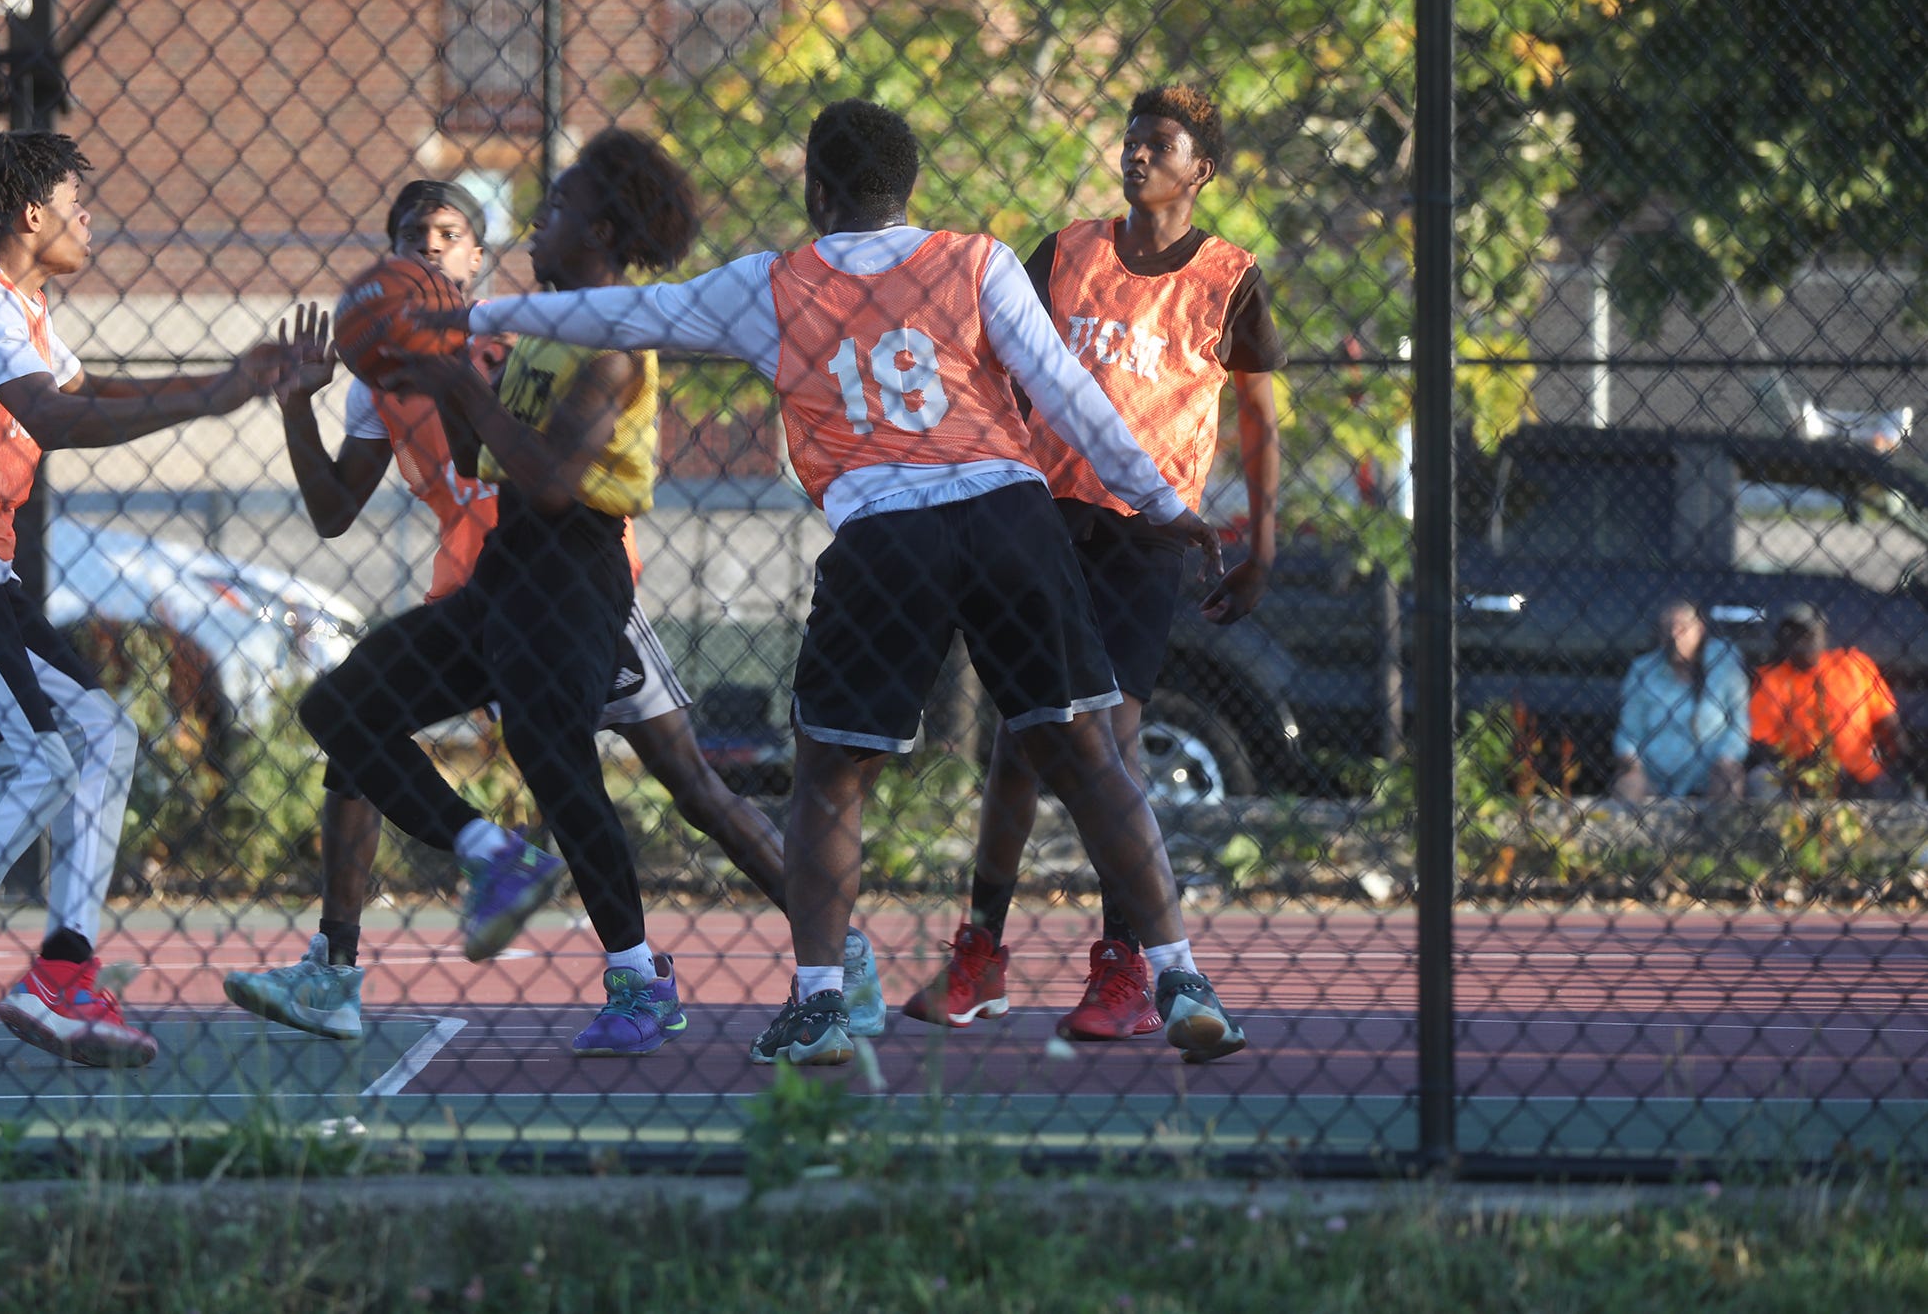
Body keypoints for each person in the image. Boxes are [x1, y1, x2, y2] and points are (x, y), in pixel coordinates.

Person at [427, 99, 1251, 1067]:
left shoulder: (772, 284)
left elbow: (616, 310)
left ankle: (819, 1001)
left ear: (816, 189)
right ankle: (1179, 972)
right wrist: (1160, 499)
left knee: (830, 773)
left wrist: (469, 313)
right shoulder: (975, 258)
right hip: (1007, 516)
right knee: (1087, 752)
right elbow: (1066, 392)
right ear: (906, 189)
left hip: (885, 530)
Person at [226, 181, 883, 1043]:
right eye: (408, 237)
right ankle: (338, 968)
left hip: (580, 587)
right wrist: (298, 407)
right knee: (355, 740)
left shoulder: (539, 332)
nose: (425, 248)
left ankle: (833, 953)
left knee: (686, 783)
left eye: (446, 234)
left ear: (474, 256)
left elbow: (544, 466)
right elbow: (333, 510)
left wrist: (460, 377)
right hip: (482, 582)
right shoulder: (385, 376)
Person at [0, 132, 288, 1071]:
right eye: (79, 200)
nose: (89, 219)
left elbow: (89, 387)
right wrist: (210, 400)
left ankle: (63, 971)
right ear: (32, 212)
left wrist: (229, 385)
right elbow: (56, 415)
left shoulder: (22, 310)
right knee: (33, 761)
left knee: (101, 733)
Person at [292, 130, 718, 1059]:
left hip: (575, 566)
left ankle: (640, 980)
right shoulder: (533, 325)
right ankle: (494, 854)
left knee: (555, 755)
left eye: (556, 208)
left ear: (599, 228)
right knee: (341, 706)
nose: (540, 221)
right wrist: (433, 368)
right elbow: (481, 456)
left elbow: (553, 476)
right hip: (504, 566)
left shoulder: (612, 333)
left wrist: (458, 378)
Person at [905, 83, 1284, 1042]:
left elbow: (1259, 418)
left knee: (1109, 741)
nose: (1138, 155)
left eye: (1160, 144)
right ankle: (981, 951)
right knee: (1019, 746)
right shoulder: (1068, 250)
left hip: (1148, 535)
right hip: (1043, 515)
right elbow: (993, 360)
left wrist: (1262, 540)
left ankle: (1124, 965)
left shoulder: (1230, 277)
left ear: (1203, 168)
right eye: (1130, 141)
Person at [1747, 603, 1905, 800]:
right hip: (1799, 775)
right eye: (1793, 633)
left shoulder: (1854, 665)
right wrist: (1801, 764)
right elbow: (1762, 742)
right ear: (1782, 640)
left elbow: (1888, 720)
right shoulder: (1771, 679)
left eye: (1808, 631)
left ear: (1823, 634)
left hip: (1860, 773)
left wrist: (1901, 761)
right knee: (1761, 780)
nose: (1801, 639)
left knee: (1894, 793)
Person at [1611, 600, 1749, 801]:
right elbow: (1629, 730)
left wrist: (1726, 758)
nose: (1675, 634)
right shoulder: (1642, 671)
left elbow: (1740, 724)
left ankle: (1724, 831)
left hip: (1711, 772)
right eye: (1668, 628)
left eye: (1682, 627)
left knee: (1730, 778)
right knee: (1627, 784)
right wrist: (1631, 764)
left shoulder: (1724, 666)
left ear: (1700, 630)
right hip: (1653, 776)